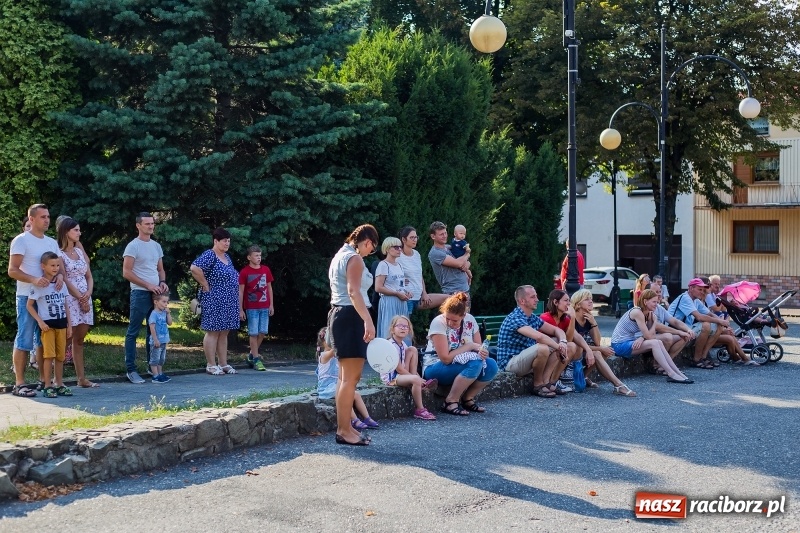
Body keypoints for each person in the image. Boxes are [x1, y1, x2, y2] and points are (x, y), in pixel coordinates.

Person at [327, 224, 379, 446]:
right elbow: (353, 291)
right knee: (351, 379)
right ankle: (343, 430)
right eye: (372, 249)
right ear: (367, 242)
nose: (370, 253)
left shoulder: (339, 255)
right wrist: (368, 320)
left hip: (338, 314)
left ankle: (346, 428)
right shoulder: (355, 259)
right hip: (351, 315)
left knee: (343, 378)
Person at [8, 204, 63, 397]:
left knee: (43, 340)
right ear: (31, 219)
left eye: (48, 216)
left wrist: (61, 277)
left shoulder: (51, 242)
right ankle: (19, 384)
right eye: (42, 217)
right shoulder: (21, 241)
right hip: (27, 295)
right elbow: (12, 270)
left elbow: (59, 267)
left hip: (47, 298)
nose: (47, 220)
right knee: (24, 338)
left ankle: (44, 381)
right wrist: (33, 279)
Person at [422, 292, 498, 415]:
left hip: (461, 363)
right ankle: (450, 401)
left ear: (463, 316)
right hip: (435, 366)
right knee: (475, 363)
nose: (450, 323)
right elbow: (445, 359)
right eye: (447, 318)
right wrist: (469, 346)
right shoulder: (438, 323)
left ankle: (468, 398)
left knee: (491, 365)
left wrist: (483, 352)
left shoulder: (470, 320)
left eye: (455, 321)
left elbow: (478, 348)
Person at [495, 285, 567, 398]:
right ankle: (537, 385)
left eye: (536, 296)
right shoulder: (515, 317)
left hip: (524, 360)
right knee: (542, 347)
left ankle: (546, 381)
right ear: (522, 301)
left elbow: (556, 330)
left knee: (556, 340)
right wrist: (559, 348)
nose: (537, 300)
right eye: (533, 297)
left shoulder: (531, 317)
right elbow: (539, 337)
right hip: (510, 363)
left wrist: (563, 342)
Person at [122, 212, 168, 384]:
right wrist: (148, 285)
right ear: (138, 226)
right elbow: (126, 272)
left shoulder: (156, 246)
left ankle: (153, 366)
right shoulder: (133, 246)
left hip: (156, 294)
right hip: (140, 293)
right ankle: (131, 369)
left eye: (152, 223)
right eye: (147, 224)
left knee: (153, 331)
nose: (151, 226)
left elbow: (160, 269)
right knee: (133, 332)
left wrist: (162, 282)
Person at [611, 289, 693, 384]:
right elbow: (650, 337)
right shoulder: (637, 312)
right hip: (619, 345)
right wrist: (654, 322)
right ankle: (671, 374)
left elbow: (651, 335)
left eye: (657, 302)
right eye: (654, 302)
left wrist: (642, 337)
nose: (656, 304)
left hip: (631, 342)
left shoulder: (648, 313)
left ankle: (677, 372)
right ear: (645, 301)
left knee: (657, 342)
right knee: (654, 343)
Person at [191, 228, 240, 375]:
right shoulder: (210, 255)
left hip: (228, 300)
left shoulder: (227, 257)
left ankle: (223, 363)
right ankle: (211, 364)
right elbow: (194, 268)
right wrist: (205, 284)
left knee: (224, 332)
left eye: (229, 241)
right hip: (214, 299)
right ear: (216, 241)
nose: (227, 243)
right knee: (213, 332)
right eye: (224, 241)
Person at [569, 290, 637, 396]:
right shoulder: (572, 319)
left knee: (605, 351)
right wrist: (600, 349)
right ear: (578, 303)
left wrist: (594, 323)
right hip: (572, 354)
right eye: (587, 299)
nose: (591, 301)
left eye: (591, 299)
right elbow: (578, 345)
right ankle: (618, 385)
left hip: (584, 351)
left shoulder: (588, 318)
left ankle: (583, 377)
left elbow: (597, 342)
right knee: (599, 352)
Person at [57, 217, 98, 388]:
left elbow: (88, 275)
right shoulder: (59, 254)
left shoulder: (80, 252)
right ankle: (56, 379)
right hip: (70, 298)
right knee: (67, 337)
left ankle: (81, 378)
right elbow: (64, 278)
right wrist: (80, 297)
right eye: (76, 230)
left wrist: (88, 294)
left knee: (79, 339)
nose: (79, 233)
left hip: (85, 296)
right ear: (66, 231)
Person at [26, 251, 73, 398]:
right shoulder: (39, 285)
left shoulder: (61, 284)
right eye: (52, 265)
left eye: (58, 265)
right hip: (47, 326)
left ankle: (58, 383)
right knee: (49, 356)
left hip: (62, 324)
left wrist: (69, 325)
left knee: (60, 357)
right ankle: (47, 385)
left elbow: (66, 305)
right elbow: (29, 305)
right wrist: (40, 321)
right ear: (43, 266)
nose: (55, 268)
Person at [315, 327, 379, 429]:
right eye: (331, 339)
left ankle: (367, 417)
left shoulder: (337, 357)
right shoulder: (324, 356)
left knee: (355, 394)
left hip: (337, 386)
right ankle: (354, 420)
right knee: (345, 395)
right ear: (324, 342)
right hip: (326, 388)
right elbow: (334, 350)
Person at [382, 315, 437, 420]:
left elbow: (403, 367)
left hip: (401, 373)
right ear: (392, 329)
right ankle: (420, 409)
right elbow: (398, 369)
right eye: (400, 326)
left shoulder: (403, 344)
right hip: (392, 377)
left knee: (412, 349)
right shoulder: (390, 345)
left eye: (406, 326)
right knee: (416, 379)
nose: (403, 328)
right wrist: (417, 378)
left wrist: (414, 374)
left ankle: (417, 381)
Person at [667, 278, 727, 369]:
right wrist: (720, 320)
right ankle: (696, 359)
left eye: (703, 290)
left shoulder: (695, 300)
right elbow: (699, 317)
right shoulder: (685, 298)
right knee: (706, 325)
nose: (702, 292)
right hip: (674, 329)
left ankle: (704, 356)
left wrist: (722, 322)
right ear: (691, 288)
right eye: (699, 289)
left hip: (687, 328)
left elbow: (710, 314)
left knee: (719, 326)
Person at [539, 289, 583, 394]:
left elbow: (569, 340)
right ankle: (546, 381)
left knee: (572, 346)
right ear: (555, 302)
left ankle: (553, 381)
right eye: (566, 300)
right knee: (562, 344)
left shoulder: (564, 319)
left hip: (556, 353)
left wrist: (572, 319)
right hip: (542, 354)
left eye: (569, 301)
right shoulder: (546, 317)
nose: (569, 304)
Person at [238, 245, 274, 371]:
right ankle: (257, 359)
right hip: (252, 307)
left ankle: (251, 356)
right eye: (256, 256)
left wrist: (271, 304)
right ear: (249, 257)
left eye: (260, 255)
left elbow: (269, 288)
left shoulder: (266, 270)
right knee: (253, 333)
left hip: (264, 306)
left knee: (263, 332)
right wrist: (240, 309)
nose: (259, 258)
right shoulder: (245, 272)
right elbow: (241, 291)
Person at [396, 226, 447, 316]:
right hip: (406, 298)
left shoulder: (416, 254)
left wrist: (424, 293)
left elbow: (420, 276)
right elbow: (392, 275)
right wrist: (400, 283)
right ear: (403, 239)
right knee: (404, 326)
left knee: (449, 299)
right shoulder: (398, 256)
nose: (415, 240)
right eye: (412, 237)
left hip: (420, 296)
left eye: (416, 237)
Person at [374, 237, 411, 338]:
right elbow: (378, 287)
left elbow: (400, 285)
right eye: (396, 247)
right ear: (387, 249)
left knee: (403, 331)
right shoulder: (383, 265)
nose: (399, 249)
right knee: (390, 331)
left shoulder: (399, 265)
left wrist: (406, 293)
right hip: (389, 301)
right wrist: (397, 294)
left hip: (401, 302)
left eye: (400, 247)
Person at [427, 221, 471, 301]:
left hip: (464, 290)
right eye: (441, 234)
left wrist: (467, 264)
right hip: (452, 293)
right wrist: (467, 254)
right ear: (433, 236)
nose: (444, 236)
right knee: (456, 314)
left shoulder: (449, 247)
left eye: (445, 233)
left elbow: (464, 261)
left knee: (465, 314)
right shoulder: (435, 253)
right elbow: (458, 263)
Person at [148, 293, 172, 382]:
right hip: (157, 341)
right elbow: (152, 327)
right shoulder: (154, 314)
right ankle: (155, 376)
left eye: (167, 302)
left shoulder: (164, 313)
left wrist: (168, 313)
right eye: (164, 302)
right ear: (156, 302)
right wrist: (155, 340)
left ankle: (160, 373)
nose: (166, 304)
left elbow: (170, 323)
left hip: (163, 340)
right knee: (155, 359)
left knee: (161, 359)